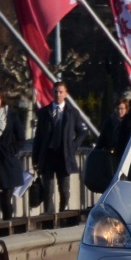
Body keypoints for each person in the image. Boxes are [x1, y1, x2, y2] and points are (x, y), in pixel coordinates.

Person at [32, 81, 89, 213]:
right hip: (48, 155)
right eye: (56, 91)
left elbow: (82, 132)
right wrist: (36, 158)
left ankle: (63, 214)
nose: (58, 94)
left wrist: (72, 146)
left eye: (61, 92)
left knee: (64, 190)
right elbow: (38, 138)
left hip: (64, 155)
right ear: (52, 93)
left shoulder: (72, 112)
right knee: (48, 190)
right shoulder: (44, 113)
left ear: (65, 94)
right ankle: (49, 218)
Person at [0, 90, 25, 220]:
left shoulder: (12, 116)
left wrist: (11, 150)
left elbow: (21, 138)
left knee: (6, 199)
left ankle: (6, 227)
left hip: (8, 163)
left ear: (2, 101)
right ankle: (0, 226)